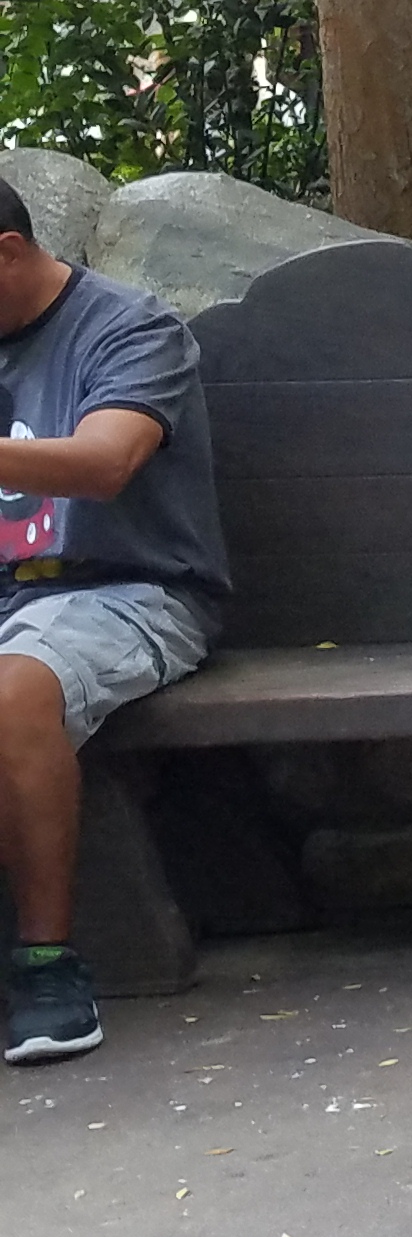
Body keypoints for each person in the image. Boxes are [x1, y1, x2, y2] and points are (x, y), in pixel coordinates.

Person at [0, 174, 223, 1067]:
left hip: (131, 590)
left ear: (6, 253)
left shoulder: (130, 329)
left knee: (14, 693)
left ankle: (47, 966)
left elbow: (104, 463)